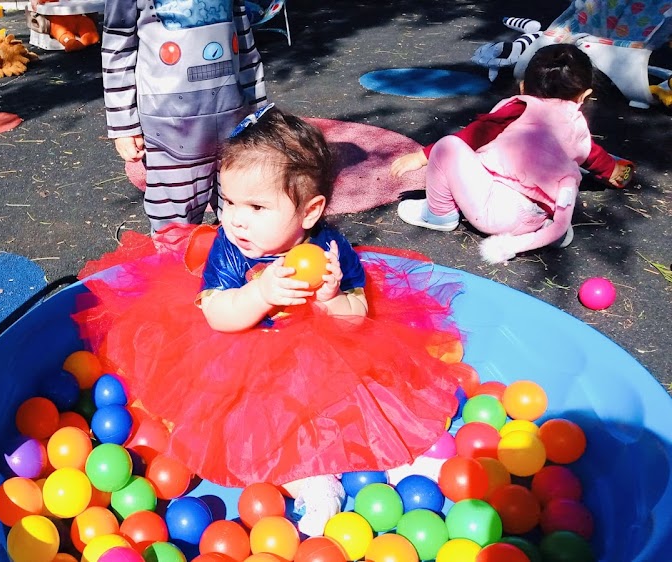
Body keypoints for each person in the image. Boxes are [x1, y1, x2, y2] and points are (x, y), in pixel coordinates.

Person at [73, 106, 462, 536]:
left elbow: (357, 320)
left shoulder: (330, 248)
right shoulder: (229, 247)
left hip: (325, 353)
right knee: (263, 422)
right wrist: (259, 295)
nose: (236, 218)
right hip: (246, 354)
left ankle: (399, 456)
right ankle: (311, 482)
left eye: (257, 206)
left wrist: (331, 299)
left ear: (310, 212)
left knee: (363, 394)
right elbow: (217, 314)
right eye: (229, 201)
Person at [391, 44, 635, 264]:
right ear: (584, 96)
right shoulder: (577, 127)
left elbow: (473, 136)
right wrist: (618, 173)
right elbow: (595, 157)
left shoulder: (519, 109)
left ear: (522, 86)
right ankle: (544, 233)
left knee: (448, 147)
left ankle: (439, 214)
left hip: (496, 214)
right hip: (539, 216)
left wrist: (422, 156)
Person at [101, 0, 267, 232]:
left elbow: (244, 37)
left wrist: (259, 109)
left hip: (234, 120)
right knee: (174, 223)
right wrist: (124, 124)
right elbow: (118, 49)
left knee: (243, 213)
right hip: (170, 129)